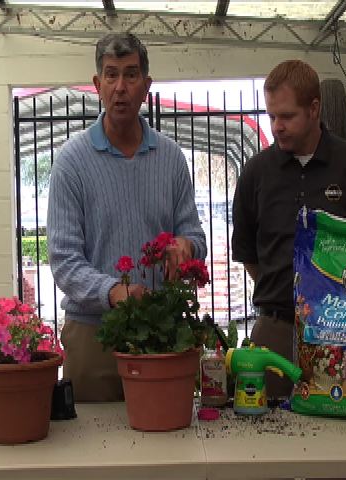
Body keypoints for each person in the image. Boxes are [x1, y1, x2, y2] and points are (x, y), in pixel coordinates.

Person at [47, 33, 207, 402]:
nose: (121, 87)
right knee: (94, 450)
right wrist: (116, 293)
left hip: (161, 334)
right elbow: (64, 261)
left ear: (146, 86)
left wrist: (186, 246)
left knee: (163, 445)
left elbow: (195, 235)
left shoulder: (170, 159)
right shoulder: (72, 162)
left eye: (131, 75)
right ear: (96, 84)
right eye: (111, 75)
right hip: (94, 336)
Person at [231, 60, 346, 399]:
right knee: (267, 439)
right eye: (271, 116)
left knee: (341, 440)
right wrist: (285, 296)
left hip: (344, 338)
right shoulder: (256, 174)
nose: (277, 127)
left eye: (287, 117)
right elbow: (247, 254)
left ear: (314, 108)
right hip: (275, 332)